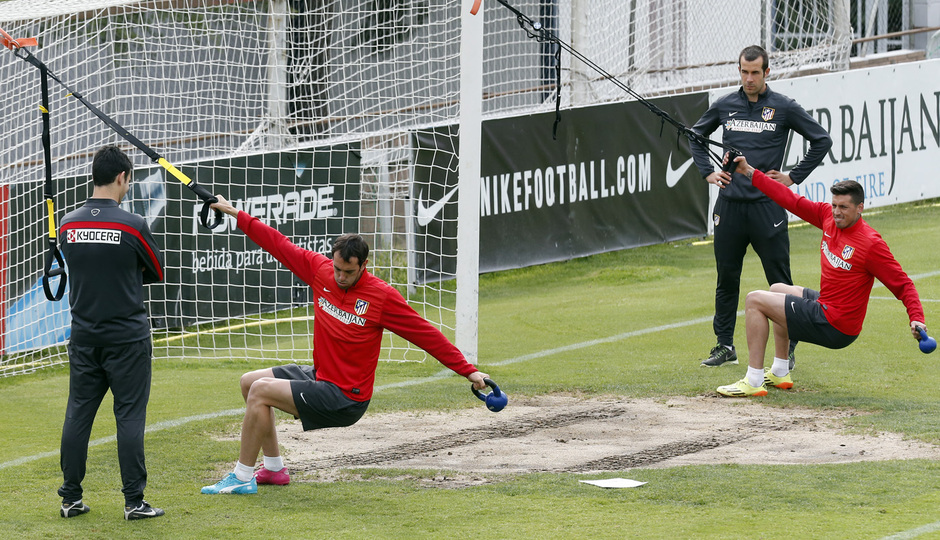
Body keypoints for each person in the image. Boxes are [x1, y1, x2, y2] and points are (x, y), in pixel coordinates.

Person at [200, 195, 490, 495]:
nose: (340, 276)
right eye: (337, 269)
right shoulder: (320, 270)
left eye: (348, 272)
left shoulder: (382, 296)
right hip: (321, 376)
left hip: (346, 397)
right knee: (249, 383)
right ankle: (274, 469)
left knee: (261, 392)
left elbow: (425, 334)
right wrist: (235, 213)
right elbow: (278, 244)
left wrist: (469, 371)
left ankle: (242, 476)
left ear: (364, 265)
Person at [715, 154, 926, 397]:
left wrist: (916, 318)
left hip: (836, 325)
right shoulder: (827, 216)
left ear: (860, 208)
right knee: (777, 289)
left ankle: (753, 379)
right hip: (826, 306)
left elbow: (903, 284)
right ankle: (780, 371)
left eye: (844, 207)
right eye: (834, 205)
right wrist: (749, 171)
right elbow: (788, 198)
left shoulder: (871, 244)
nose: (837, 212)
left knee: (754, 300)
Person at [690, 45, 833, 368]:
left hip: (768, 207)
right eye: (744, 72)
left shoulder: (784, 107)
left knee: (780, 282)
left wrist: (792, 177)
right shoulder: (725, 105)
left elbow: (821, 140)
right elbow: (696, 136)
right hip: (729, 208)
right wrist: (708, 173)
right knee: (727, 278)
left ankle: (788, 348)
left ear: (767, 72)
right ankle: (724, 345)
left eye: (755, 72)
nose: (749, 78)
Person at [57, 145, 166, 520]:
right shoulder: (132, 224)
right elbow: (156, 271)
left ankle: (70, 498)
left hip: (84, 336)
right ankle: (134, 502)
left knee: (77, 416)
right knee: (130, 418)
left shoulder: (68, 224)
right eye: (128, 180)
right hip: (128, 339)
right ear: (122, 177)